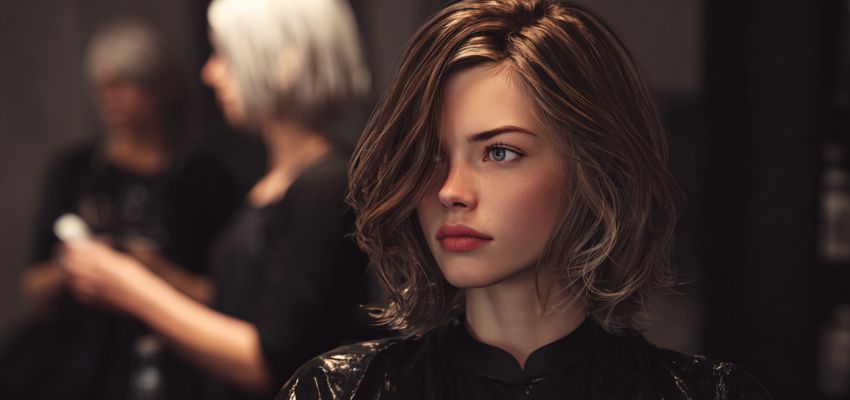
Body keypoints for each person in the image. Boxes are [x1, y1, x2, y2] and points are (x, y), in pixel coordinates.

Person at [278, 1, 773, 399]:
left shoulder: (710, 393)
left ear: (593, 168)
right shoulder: (339, 390)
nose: (450, 190)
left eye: (499, 152)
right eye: (430, 155)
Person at [59, 0, 374, 399]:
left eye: (225, 55)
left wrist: (128, 286)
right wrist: (158, 274)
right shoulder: (278, 180)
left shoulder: (326, 186)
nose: (210, 73)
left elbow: (265, 361)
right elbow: (246, 302)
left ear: (285, 62)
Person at [1, 19, 240, 400]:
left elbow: (228, 295)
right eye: (102, 86)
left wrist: (154, 273)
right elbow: (33, 287)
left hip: (173, 361)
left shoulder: (203, 179)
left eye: (124, 83)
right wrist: (79, 267)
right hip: (75, 360)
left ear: (158, 88)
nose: (110, 97)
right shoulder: (75, 170)